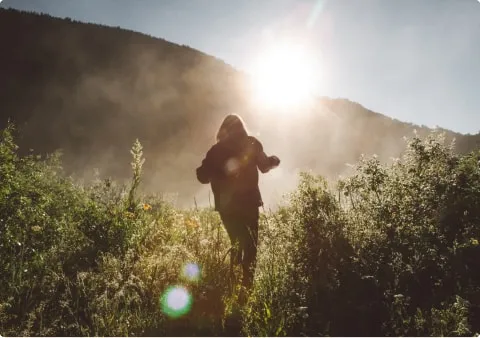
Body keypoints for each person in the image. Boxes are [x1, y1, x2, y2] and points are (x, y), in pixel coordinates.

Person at [196, 114, 280, 289]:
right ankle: (247, 285)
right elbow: (264, 166)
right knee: (251, 244)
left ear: (223, 130)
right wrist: (274, 161)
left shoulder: (215, 150)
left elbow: (202, 176)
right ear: (242, 127)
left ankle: (233, 283)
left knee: (236, 242)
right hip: (249, 201)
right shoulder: (252, 143)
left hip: (226, 205)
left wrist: (214, 171)